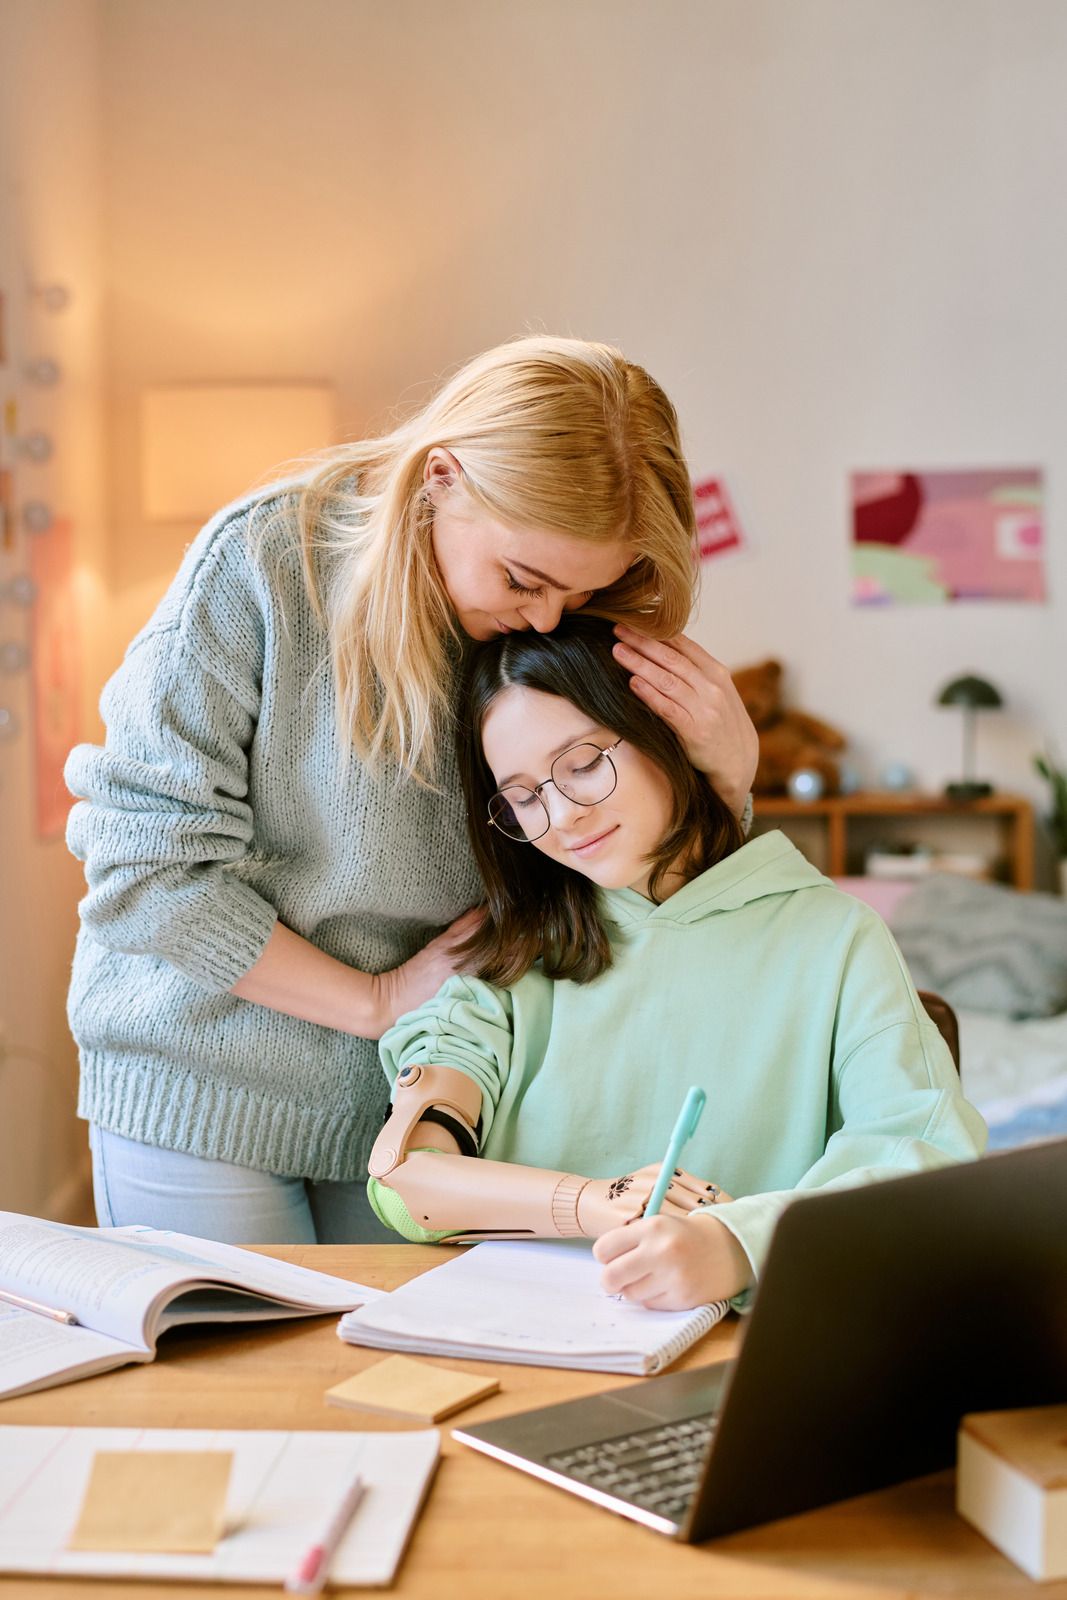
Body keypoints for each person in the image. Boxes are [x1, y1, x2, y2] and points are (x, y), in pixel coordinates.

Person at [65, 336, 759, 1245]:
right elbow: (143, 872)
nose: (547, 619)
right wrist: (377, 999)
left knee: (408, 1381)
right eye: (522, 579)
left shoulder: (574, 621)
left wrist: (727, 775)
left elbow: (635, 899)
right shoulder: (264, 564)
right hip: (204, 1070)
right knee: (241, 1389)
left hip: (430, 1100)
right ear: (442, 478)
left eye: (581, 590)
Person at [368, 614, 987, 1310]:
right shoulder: (515, 954)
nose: (562, 816)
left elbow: (923, 1153)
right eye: (522, 797)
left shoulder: (833, 937)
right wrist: (595, 1203)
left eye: (581, 766)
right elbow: (404, 1179)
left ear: (664, 731)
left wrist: (736, 1245)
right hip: (521, 1338)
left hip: (741, 1355)